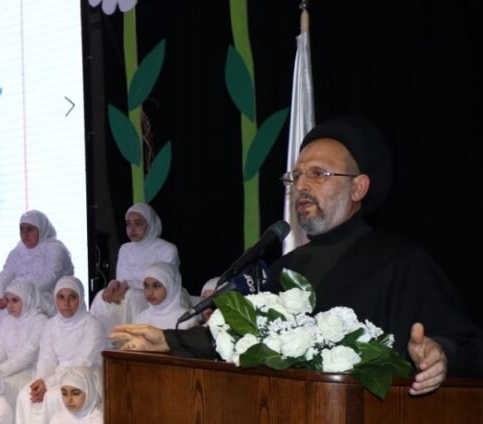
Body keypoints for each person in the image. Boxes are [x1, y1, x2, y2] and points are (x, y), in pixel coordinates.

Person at [111, 115, 483, 395]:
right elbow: (241, 340)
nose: (301, 185)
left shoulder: (401, 262)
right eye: (296, 176)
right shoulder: (285, 268)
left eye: (318, 174)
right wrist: (168, 340)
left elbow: (470, 344)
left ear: (358, 188)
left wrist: (442, 354)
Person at [12, 276, 106, 424]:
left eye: (72, 297)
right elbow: (46, 359)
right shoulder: (51, 325)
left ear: (81, 298)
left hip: (85, 379)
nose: (66, 303)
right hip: (56, 377)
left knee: (55, 397)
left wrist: (48, 384)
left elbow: (83, 362)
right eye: (61, 297)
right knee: (24, 396)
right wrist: (40, 381)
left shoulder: (92, 325)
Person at [90, 203, 180, 332]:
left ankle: (128, 340)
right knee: (101, 296)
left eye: (138, 224)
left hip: (156, 295)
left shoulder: (167, 249)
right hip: (128, 293)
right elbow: (122, 279)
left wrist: (128, 284)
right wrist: (113, 285)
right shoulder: (125, 249)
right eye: (128, 224)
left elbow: (163, 283)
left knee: (131, 297)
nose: (132, 229)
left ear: (150, 224)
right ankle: (101, 340)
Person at [0, 210, 74, 326]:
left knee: (18, 306)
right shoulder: (18, 251)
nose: (25, 234)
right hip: (17, 293)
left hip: (45, 295)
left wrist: (18, 293)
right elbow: (5, 275)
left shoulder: (55, 249)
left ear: (41, 229)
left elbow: (49, 278)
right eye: (22, 229)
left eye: (30, 229)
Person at [0, 279, 49, 405]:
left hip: (30, 372)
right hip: (6, 371)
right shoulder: (6, 321)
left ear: (27, 299)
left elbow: (27, 355)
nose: (9, 305)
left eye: (15, 300)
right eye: (7, 301)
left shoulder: (41, 321)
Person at [129, 262, 198, 330]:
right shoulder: (140, 318)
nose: (150, 292)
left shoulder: (186, 319)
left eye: (156, 286)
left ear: (170, 287)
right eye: (146, 286)